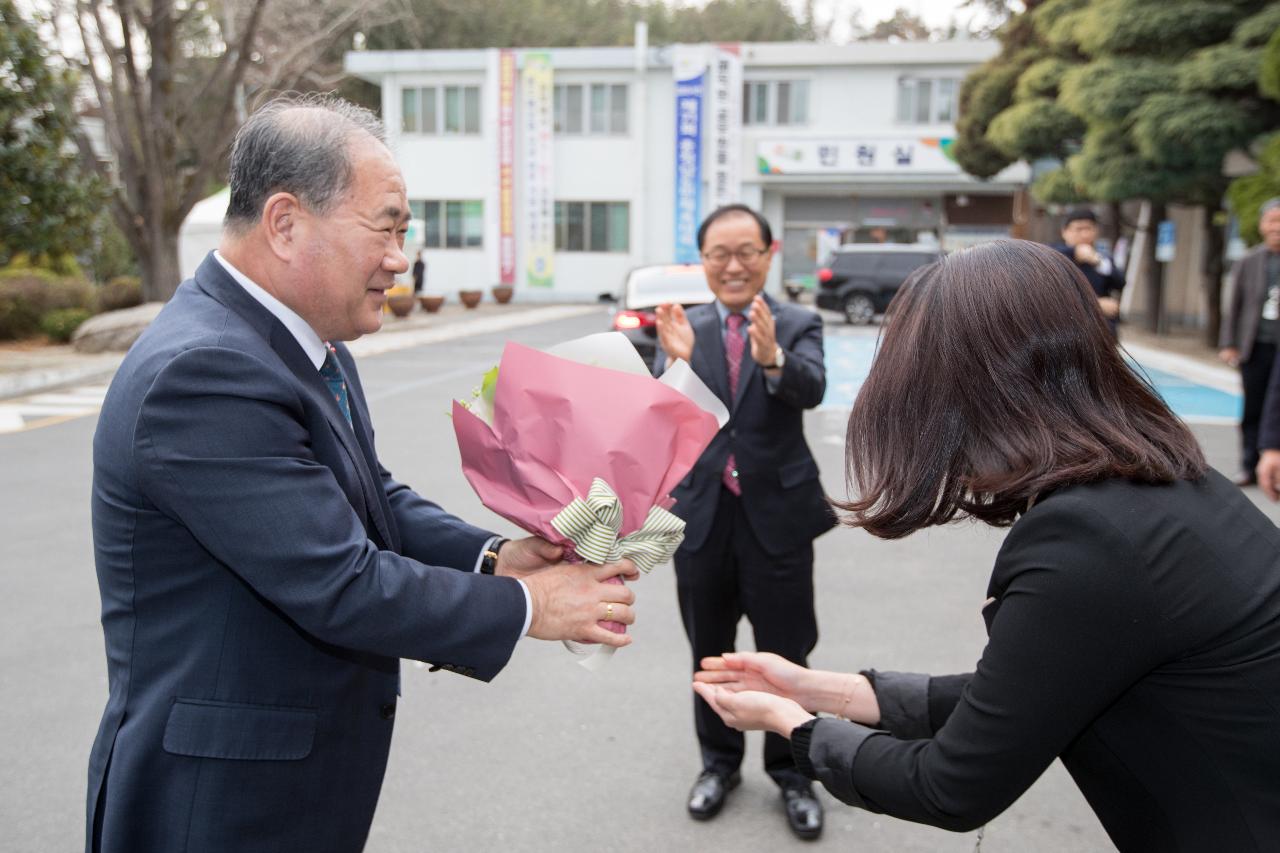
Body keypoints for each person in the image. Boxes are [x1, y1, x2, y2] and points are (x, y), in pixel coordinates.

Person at [86, 95, 638, 853]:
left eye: (404, 231)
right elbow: (338, 581)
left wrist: (494, 556)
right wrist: (525, 603)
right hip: (215, 805)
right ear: (285, 223)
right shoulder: (204, 371)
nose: (400, 257)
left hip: (288, 788)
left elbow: (372, 499)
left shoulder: (309, 344)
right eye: (385, 226)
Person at [692, 239, 1280, 852]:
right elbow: (1022, 689)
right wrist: (821, 690)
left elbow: (949, 786)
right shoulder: (1166, 480)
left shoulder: (1088, 539)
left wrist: (792, 724)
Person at [653, 204, 835, 839]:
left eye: (745, 252)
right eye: (718, 255)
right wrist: (675, 364)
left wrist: (773, 357)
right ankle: (719, 764)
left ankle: (793, 774)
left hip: (777, 518)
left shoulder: (798, 321)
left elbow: (811, 388)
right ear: (702, 261)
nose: (732, 266)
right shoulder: (681, 327)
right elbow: (659, 419)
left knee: (788, 653)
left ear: (768, 253)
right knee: (710, 654)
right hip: (702, 518)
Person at [1221, 198, 1280, 488]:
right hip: (1255, 346)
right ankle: (1249, 465)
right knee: (1253, 408)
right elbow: (1235, 306)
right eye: (1272, 220)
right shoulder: (1249, 262)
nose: (1276, 227)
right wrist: (1229, 343)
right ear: (1261, 224)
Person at [1052, 208, 1125, 338]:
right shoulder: (1053, 255)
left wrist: (1098, 263)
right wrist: (1094, 304)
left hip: (1102, 332)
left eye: (1089, 229)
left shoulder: (1102, 259)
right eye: (1079, 229)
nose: (1085, 234)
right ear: (1065, 232)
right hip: (1067, 332)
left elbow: (1120, 283)